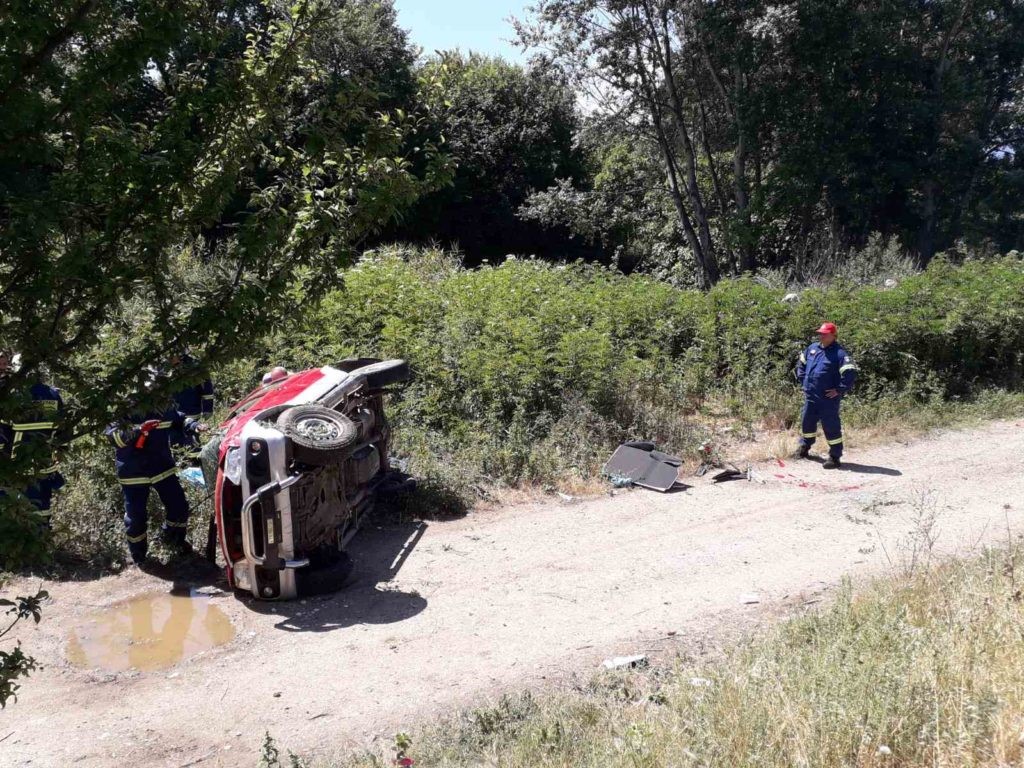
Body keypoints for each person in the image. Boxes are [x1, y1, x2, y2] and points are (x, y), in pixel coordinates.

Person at [105, 401, 206, 565]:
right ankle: (139, 557)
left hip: (161, 467)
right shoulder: (124, 406)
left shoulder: (163, 405)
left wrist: (194, 425)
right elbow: (114, 437)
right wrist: (138, 431)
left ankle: (173, 543)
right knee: (136, 517)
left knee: (179, 506)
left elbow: (179, 419)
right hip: (133, 471)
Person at [0, 349, 65, 526]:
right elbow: (62, 433)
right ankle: (41, 547)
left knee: (10, 517)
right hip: (43, 470)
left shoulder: (10, 396)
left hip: (12, 471)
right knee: (41, 514)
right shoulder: (53, 395)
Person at [793, 322, 858, 469]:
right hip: (810, 395)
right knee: (807, 423)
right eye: (820, 333)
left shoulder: (839, 354)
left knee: (831, 427)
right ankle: (804, 448)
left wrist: (839, 389)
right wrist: (803, 380)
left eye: (824, 334)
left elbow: (850, 373)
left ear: (833, 336)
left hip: (827, 399)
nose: (821, 336)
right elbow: (801, 364)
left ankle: (835, 457)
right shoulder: (812, 348)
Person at [169, 353, 214, 455]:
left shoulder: (195, 366)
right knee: (174, 440)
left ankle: (193, 460)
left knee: (191, 440)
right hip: (171, 413)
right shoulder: (164, 367)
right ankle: (178, 457)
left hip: (191, 409)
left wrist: (208, 409)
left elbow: (207, 390)